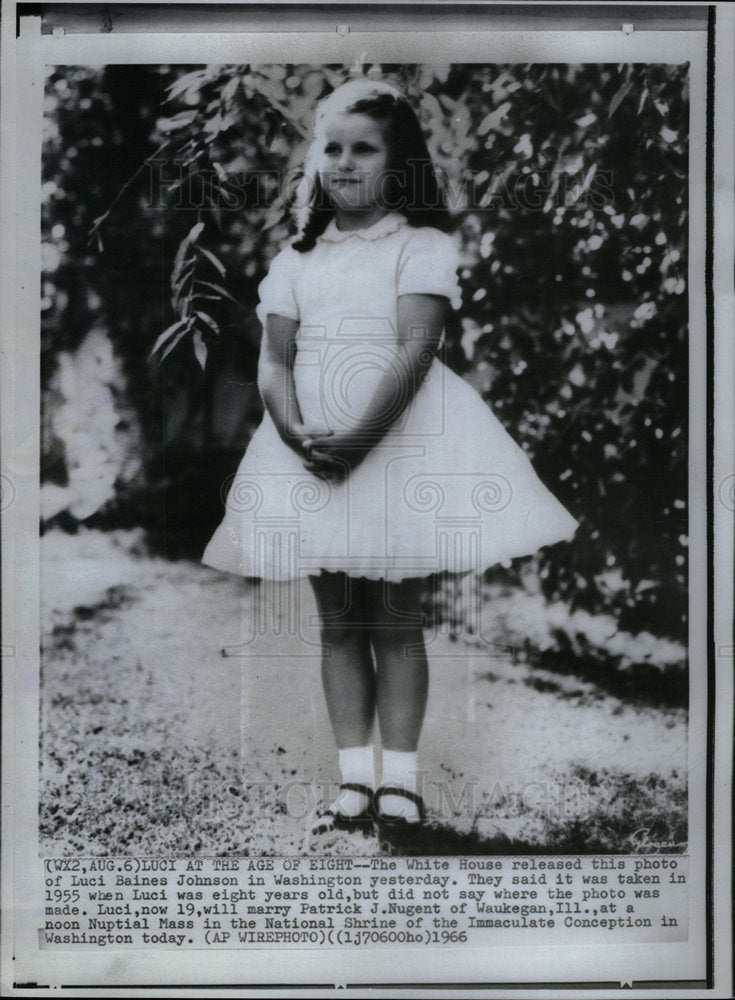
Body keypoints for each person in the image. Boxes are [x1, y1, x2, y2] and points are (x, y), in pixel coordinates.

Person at [202, 78, 578, 841]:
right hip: (308, 445)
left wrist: (358, 441)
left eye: (361, 149)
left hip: (398, 444)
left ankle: (399, 783)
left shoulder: (421, 245)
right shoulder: (296, 259)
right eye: (329, 148)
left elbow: (416, 348)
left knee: (396, 621)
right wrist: (295, 430)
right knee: (337, 620)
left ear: (398, 162)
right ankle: (353, 782)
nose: (341, 163)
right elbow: (273, 361)